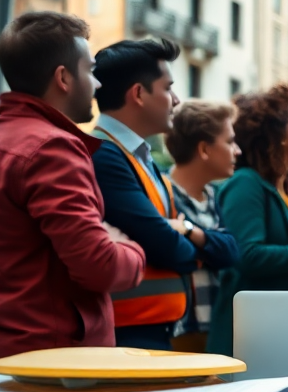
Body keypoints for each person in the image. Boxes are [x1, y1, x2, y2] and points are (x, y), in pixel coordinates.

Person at [0, 12, 146, 372]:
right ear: (63, 78)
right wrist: (129, 248)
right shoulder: (51, 148)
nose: (98, 84)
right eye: (89, 70)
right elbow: (100, 266)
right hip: (48, 368)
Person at [92, 39, 239, 350]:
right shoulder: (104, 156)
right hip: (126, 335)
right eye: (168, 88)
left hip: (152, 329)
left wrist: (181, 233)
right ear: (139, 94)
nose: (176, 99)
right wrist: (189, 246)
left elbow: (229, 250)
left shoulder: (143, 160)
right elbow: (166, 247)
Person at [207, 84, 288, 355]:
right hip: (253, 342)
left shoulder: (287, 192)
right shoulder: (245, 184)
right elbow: (246, 254)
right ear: (277, 135)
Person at [166, 100, 242, 352]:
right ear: (204, 149)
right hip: (176, 333)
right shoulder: (161, 194)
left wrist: (190, 231)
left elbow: (231, 251)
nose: (237, 150)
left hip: (214, 331)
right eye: (230, 141)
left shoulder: (214, 196)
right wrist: (210, 246)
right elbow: (171, 253)